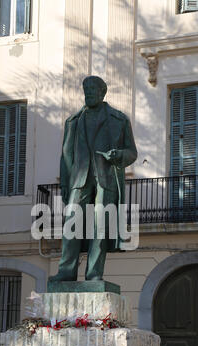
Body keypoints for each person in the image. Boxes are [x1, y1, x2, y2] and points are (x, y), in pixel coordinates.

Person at [49, 75, 137, 283]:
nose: (88, 93)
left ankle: (94, 274)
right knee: (72, 224)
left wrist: (119, 155)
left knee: (100, 226)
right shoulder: (74, 121)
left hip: (105, 179)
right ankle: (66, 271)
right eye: (85, 89)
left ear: (102, 93)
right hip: (80, 179)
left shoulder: (119, 119)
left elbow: (132, 152)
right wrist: (64, 184)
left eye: (92, 90)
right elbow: (66, 155)